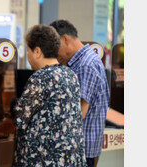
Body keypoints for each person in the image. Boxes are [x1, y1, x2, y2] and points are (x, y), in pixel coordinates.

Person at [12, 24, 87, 166]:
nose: (27, 56)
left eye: (28, 51)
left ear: (37, 51)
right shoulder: (70, 74)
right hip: (69, 158)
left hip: (44, 159)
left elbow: (20, 119)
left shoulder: (40, 78)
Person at [50, 20, 110, 167]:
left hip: (81, 148)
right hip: (83, 148)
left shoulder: (85, 65)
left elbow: (79, 112)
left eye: (54, 47)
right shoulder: (84, 61)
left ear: (65, 39)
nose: (54, 54)